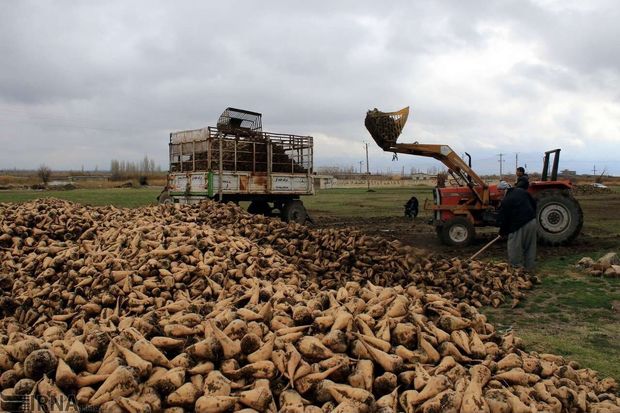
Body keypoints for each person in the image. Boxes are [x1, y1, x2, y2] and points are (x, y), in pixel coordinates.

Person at [497, 180, 537, 271]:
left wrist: (502, 232)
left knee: (514, 248)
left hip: (519, 226)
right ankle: (529, 269)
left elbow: (505, 220)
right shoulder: (521, 191)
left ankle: (517, 270)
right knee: (530, 247)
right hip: (532, 222)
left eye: (499, 191)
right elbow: (534, 203)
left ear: (503, 190)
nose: (499, 194)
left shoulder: (506, 201)